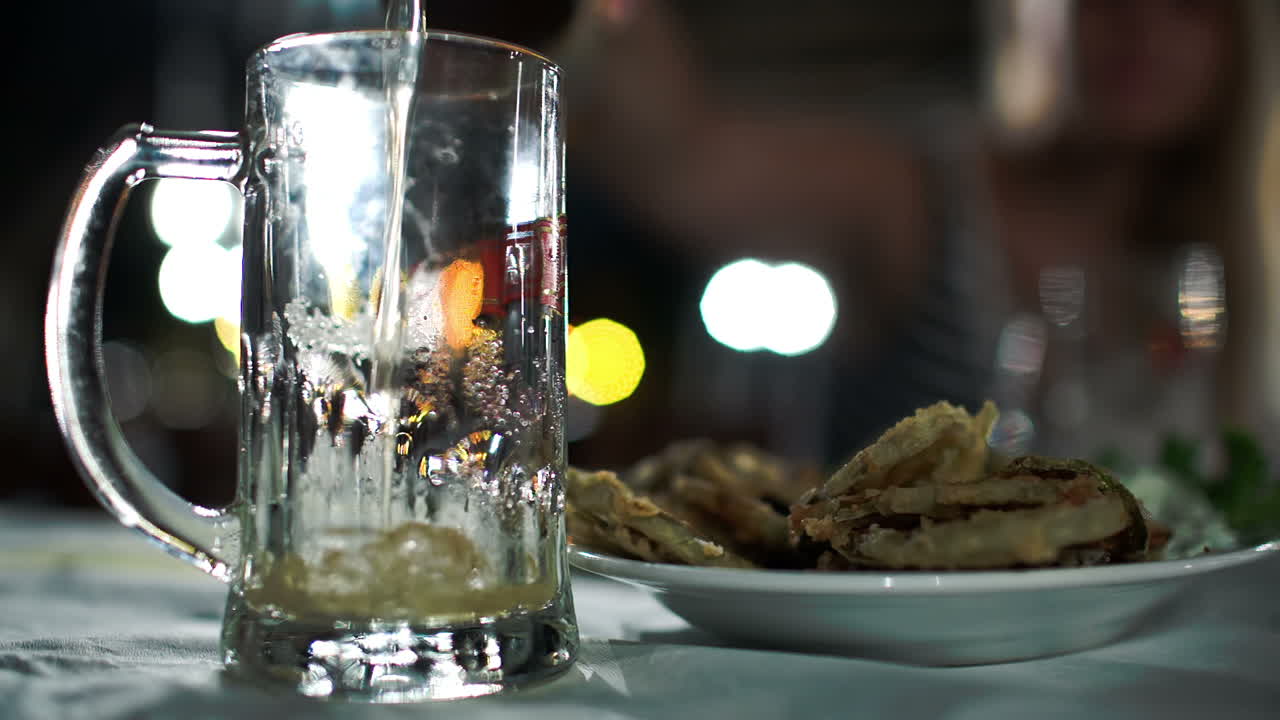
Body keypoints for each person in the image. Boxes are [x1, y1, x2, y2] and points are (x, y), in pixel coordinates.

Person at [556, 0, 1280, 466]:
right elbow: (686, 164)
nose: (1141, 26)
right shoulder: (917, 192)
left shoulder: (1218, 268)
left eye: (1190, 5)